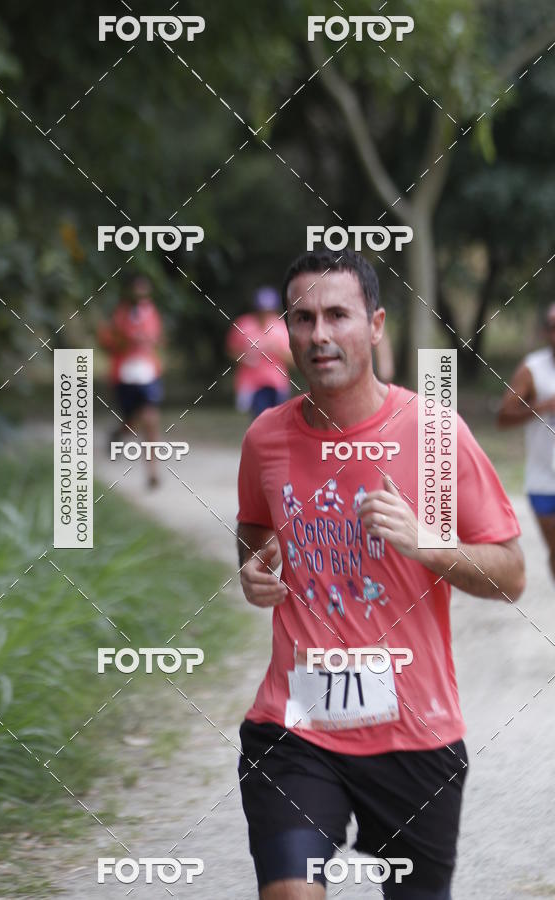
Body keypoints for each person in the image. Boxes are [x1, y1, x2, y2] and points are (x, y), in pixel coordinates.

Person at [235, 249, 524, 900]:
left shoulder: (435, 432)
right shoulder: (266, 439)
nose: (319, 335)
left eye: (338, 315)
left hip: (416, 736)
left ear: (376, 326)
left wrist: (429, 546)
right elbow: (254, 531)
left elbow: (511, 576)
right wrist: (255, 569)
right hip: (295, 728)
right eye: (302, 318)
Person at [497, 302, 555, 580]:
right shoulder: (532, 370)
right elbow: (503, 417)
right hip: (544, 480)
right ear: (546, 332)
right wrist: (543, 407)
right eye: (554, 327)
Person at [98, 274, 165, 487]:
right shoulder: (118, 315)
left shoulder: (152, 312)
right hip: (125, 374)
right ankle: (118, 434)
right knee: (131, 423)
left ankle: (152, 471)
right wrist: (126, 339)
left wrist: (148, 340)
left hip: (147, 373)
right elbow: (107, 342)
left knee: (150, 419)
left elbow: (158, 339)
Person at [226, 286, 293, 419]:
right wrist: (245, 357)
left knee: (276, 420)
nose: (264, 314)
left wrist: (275, 350)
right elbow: (231, 351)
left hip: (276, 383)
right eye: (261, 310)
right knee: (260, 418)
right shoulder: (243, 324)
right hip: (251, 383)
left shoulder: (280, 327)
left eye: (267, 310)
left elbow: (292, 360)